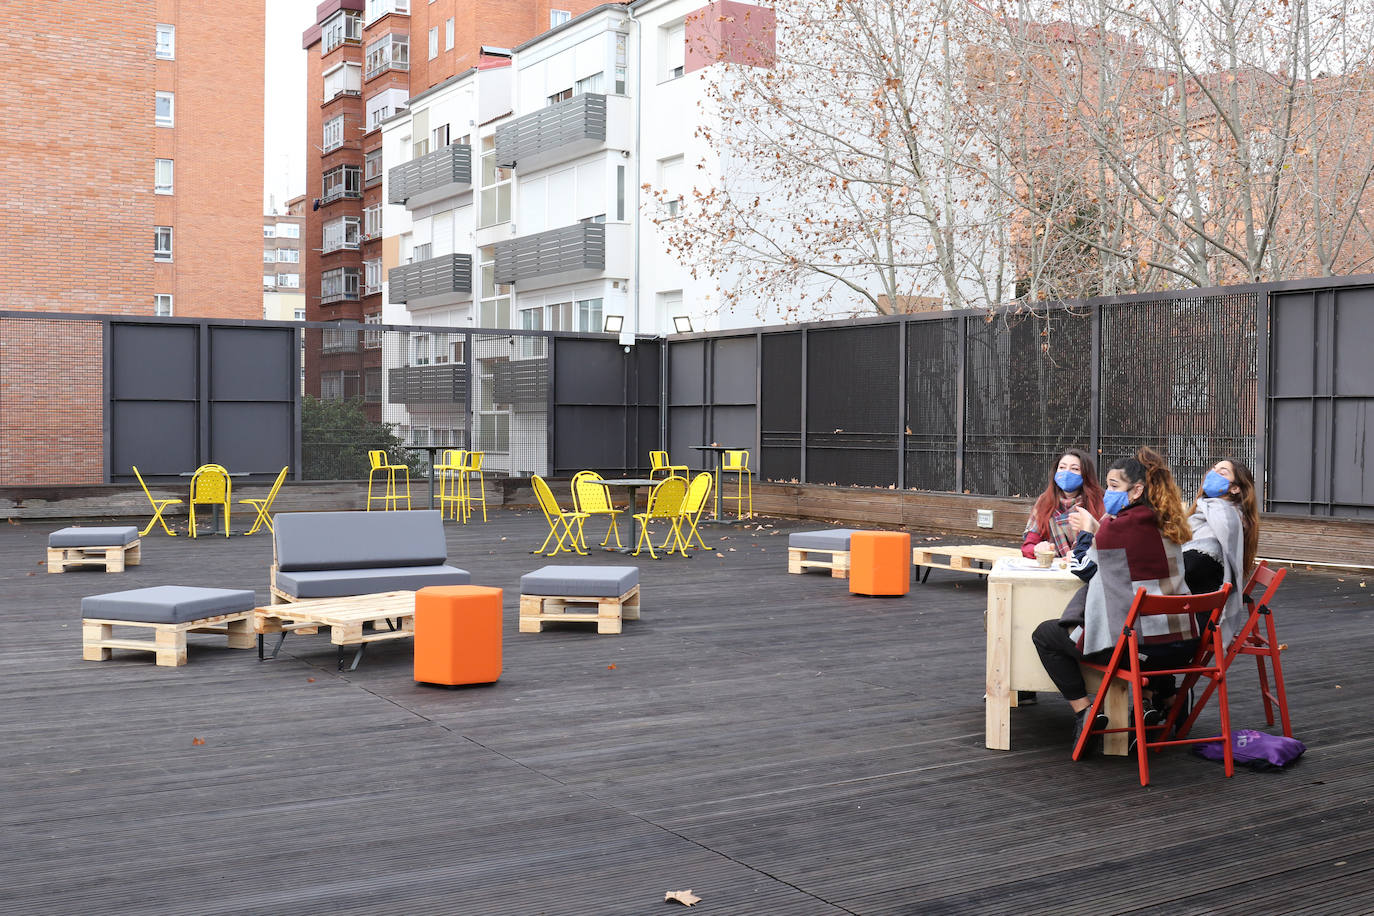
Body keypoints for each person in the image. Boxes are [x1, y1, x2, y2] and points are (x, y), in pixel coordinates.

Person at [1031, 446, 1196, 749]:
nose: (1108, 492)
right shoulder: (1169, 523)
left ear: (1136, 491)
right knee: (1135, 623)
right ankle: (1160, 703)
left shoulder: (1119, 526)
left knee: (1046, 634)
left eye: (1113, 486)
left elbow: (1083, 567)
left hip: (1141, 650)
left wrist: (1087, 532)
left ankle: (1085, 712)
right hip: (1182, 648)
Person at [1182, 458, 1259, 647]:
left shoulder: (1224, 520)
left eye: (1222, 472)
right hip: (1189, 616)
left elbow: (1190, 566)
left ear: (1235, 488)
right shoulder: (1209, 514)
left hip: (1190, 626)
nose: (1212, 473)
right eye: (1213, 469)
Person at [1021, 449, 1106, 559]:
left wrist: (1081, 555)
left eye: (1074, 469)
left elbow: (1109, 544)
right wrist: (1039, 549)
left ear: (1086, 474)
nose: (1066, 473)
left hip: (1088, 570)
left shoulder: (1100, 502)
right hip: (1054, 570)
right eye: (1062, 467)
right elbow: (1028, 546)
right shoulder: (1045, 501)